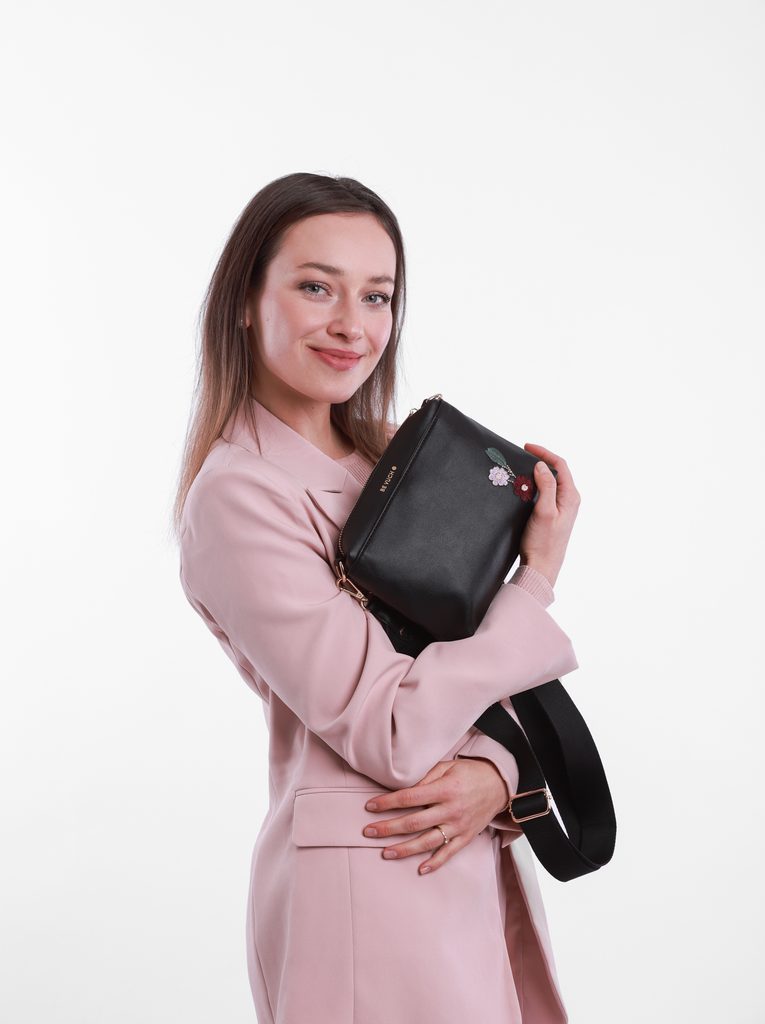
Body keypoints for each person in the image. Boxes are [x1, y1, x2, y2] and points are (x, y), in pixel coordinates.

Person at [173, 172, 581, 1024]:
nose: (351, 326)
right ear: (245, 301)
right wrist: (535, 578)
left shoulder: (402, 458)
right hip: (370, 886)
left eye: (377, 296)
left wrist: (498, 773)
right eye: (316, 287)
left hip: (456, 860)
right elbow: (390, 728)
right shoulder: (239, 496)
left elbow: (491, 690)